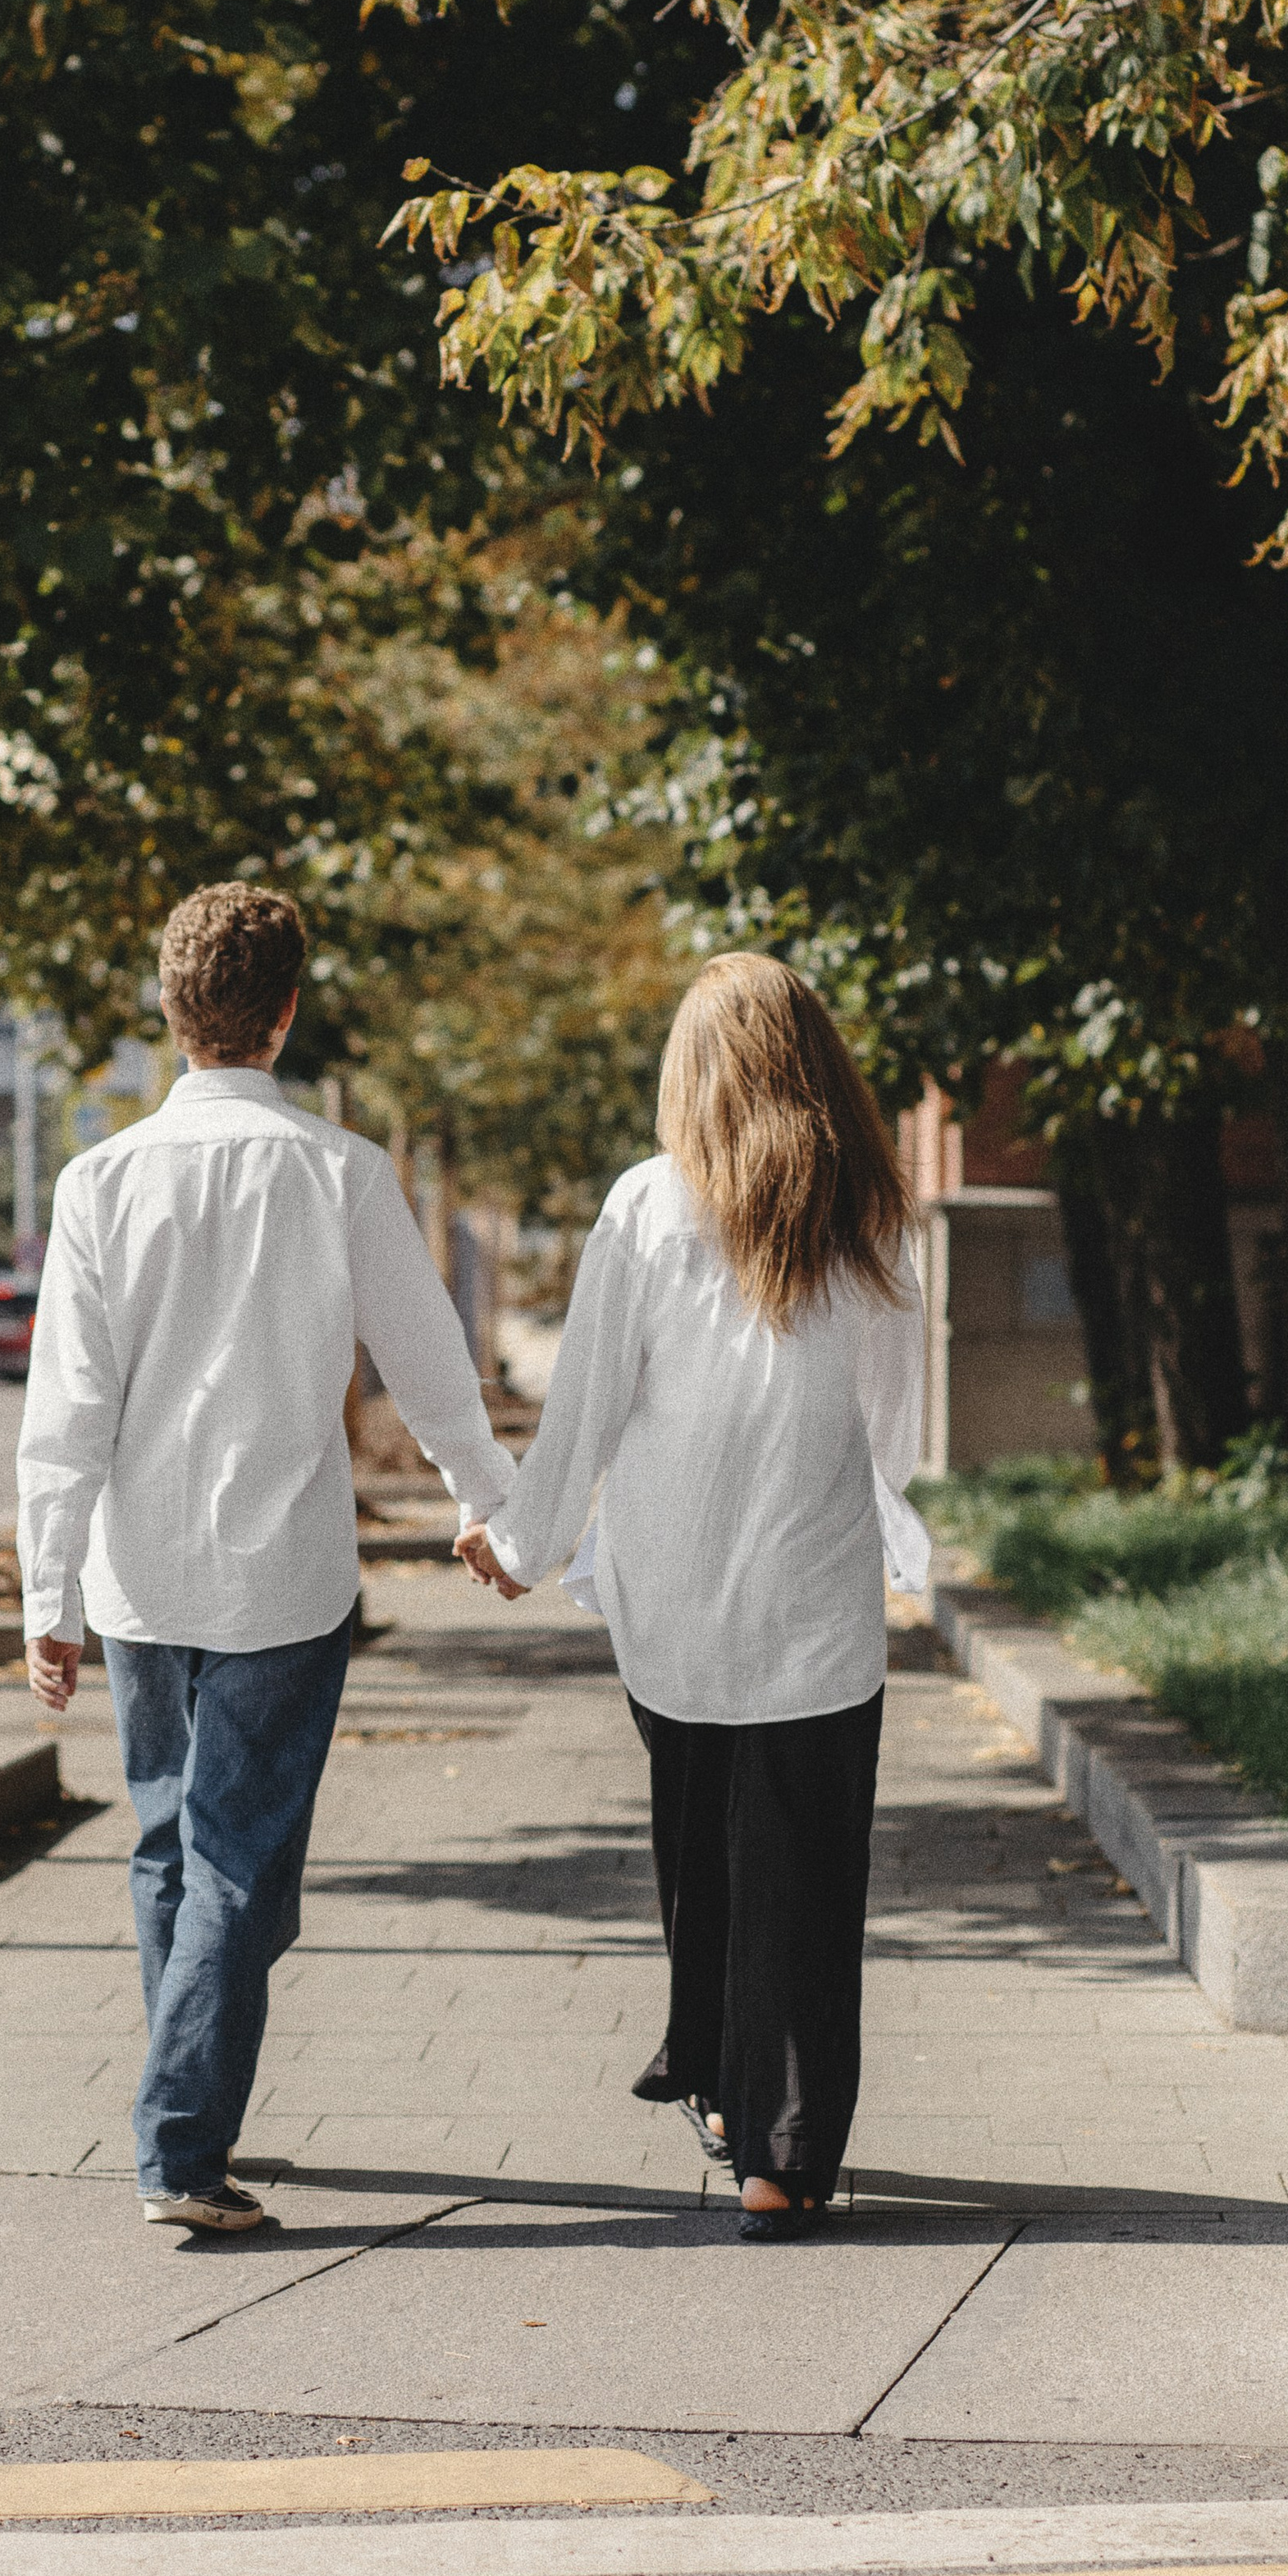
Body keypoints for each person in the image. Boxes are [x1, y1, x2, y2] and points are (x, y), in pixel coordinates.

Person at [18, 883, 515, 2235]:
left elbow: (64, 1409)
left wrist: (45, 1597)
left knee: (173, 1847)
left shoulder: (98, 1182)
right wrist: (496, 1507)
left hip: (138, 1579)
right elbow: (427, 1364)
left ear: (171, 1017)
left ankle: (191, 2098)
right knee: (242, 1863)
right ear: (287, 1015)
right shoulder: (344, 1174)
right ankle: (182, 2142)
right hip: (285, 1580)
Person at [456, 953, 928, 2243]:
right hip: (812, 1605)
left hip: (671, 1599)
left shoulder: (647, 1207)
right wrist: (897, 1538)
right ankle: (782, 2154)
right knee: (807, 1874)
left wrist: (521, 1538)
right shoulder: (874, 1217)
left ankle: (722, 2084)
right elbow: (895, 1430)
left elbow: (589, 1401)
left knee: (701, 1854)